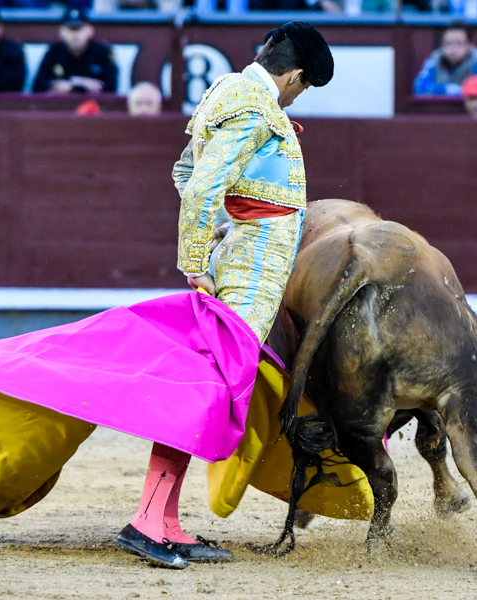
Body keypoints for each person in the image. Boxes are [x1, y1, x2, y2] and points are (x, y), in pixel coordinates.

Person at [114, 20, 334, 568]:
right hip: (247, 277)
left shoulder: (227, 91)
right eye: (302, 88)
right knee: (205, 394)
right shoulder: (257, 106)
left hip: (241, 261)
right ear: (296, 75)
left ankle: (164, 521)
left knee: (207, 393)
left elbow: (187, 170)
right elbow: (203, 184)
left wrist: (218, 230)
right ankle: (146, 521)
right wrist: (197, 263)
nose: (296, 97)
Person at [32, 7, 118, 94]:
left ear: (90, 30)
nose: (75, 35)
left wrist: (79, 83)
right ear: (61, 32)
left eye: (79, 29)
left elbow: (112, 88)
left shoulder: (102, 52)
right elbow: (37, 87)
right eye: (71, 29)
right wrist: (56, 86)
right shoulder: (54, 51)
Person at [413, 22, 477, 96]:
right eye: (448, 43)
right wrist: (447, 90)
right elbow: (419, 88)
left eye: (459, 43)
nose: (453, 48)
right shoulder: (434, 59)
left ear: (470, 45)